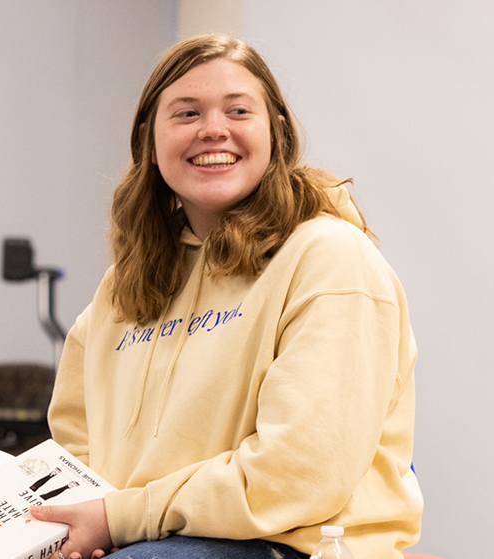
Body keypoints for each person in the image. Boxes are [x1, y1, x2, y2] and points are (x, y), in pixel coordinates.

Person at [30, 33, 423, 559]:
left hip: (286, 544)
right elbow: (74, 447)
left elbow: (300, 473)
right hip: (140, 540)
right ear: (149, 139)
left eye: (238, 110)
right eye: (187, 113)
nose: (213, 129)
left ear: (276, 132)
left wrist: (121, 518)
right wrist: (72, 528)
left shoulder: (330, 259)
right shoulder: (125, 285)